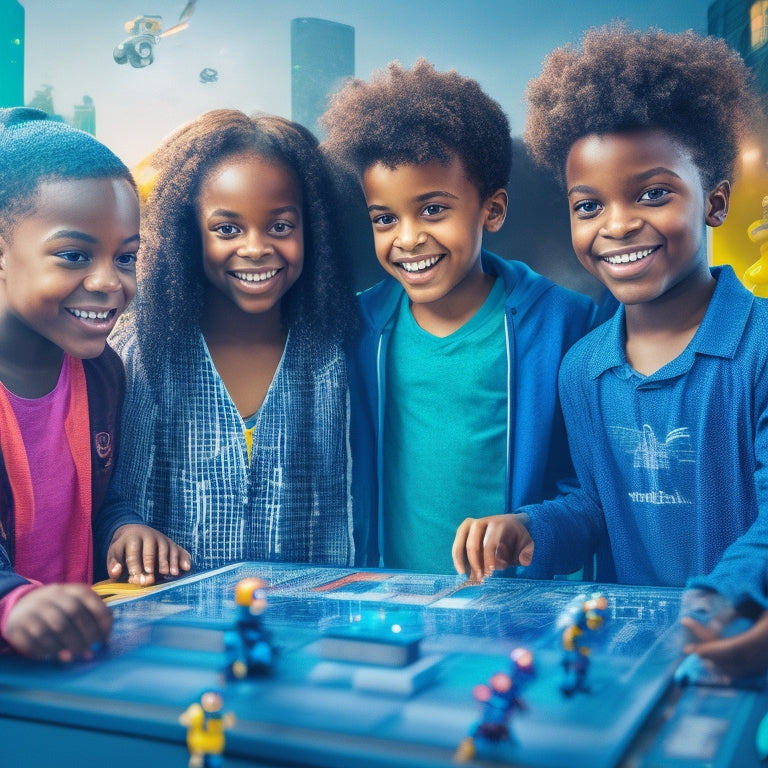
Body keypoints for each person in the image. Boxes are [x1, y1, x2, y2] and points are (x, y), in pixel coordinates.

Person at [452, 26, 768, 678]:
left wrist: (718, 601)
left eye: (653, 193)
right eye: (589, 204)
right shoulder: (584, 367)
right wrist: (530, 530)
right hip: (634, 662)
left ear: (713, 199)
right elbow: (596, 507)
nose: (617, 225)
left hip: (741, 655)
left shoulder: (760, 345)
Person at [321, 60, 596, 573]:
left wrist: (532, 526)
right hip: (391, 603)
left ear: (491, 210)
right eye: (385, 218)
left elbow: (590, 490)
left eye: (432, 210)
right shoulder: (357, 327)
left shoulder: (565, 324)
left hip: (516, 611)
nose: (407, 238)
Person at [102, 109, 368, 570]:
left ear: (314, 229)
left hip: (306, 627)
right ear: (187, 233)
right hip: (173, 626)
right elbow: (110, 498)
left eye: (281, 226)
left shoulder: (336, 359)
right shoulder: (140, 354)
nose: (256, 248)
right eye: (227, 229)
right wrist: (125, 529)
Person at [0, 107, 189, 661]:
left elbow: (94, 505)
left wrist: (124, 530)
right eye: (74, 255)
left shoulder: (103, 372)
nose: (110, 282)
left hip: (71, 662)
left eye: (126, 257)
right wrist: (14, 604)